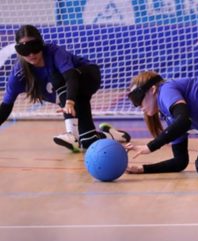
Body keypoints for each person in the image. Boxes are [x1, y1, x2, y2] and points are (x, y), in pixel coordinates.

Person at [0, 24, 130, 152]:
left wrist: (69, 102)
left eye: (35, 47)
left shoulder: (54, 52)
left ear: (41, 44)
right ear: (18, 51)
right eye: (25, 50)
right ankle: (113, 135)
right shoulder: (19, 74)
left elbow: (71, 76)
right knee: (87, 141)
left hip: (87, 77)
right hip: (75, 96)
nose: (31, 54)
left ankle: (70, 133)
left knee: (57, 77)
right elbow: (5, 107)